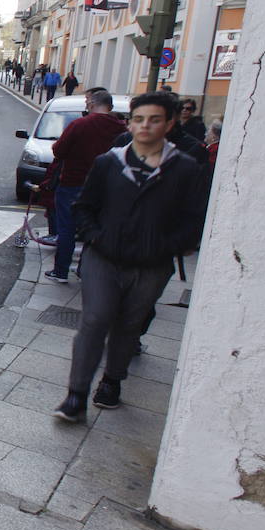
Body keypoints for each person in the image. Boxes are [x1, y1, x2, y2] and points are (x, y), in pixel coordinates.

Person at [53, 91, 208, 422]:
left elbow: (195, 221)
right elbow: (84, 207)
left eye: (154, 120)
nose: (145, 126)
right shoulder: (109, 162)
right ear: (130, 122)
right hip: (103, 258)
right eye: (138, 119)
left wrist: (165, 246)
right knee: (94, 320)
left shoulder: (186, 168)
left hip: (151, 266)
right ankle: (76, 394)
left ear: (169, 123)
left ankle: (111, 381)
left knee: (128, 326)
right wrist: (95, 237)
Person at [43, 89, 126, 283]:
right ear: (110, 106)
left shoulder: (80, 124)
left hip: (74, 182)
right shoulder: (121, 128)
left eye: (87, 101)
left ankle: (61, 270)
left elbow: (58, 150)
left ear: (90, 104)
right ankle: (86, 269)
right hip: (105, 187)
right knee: (94, 228)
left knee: (67, 228)